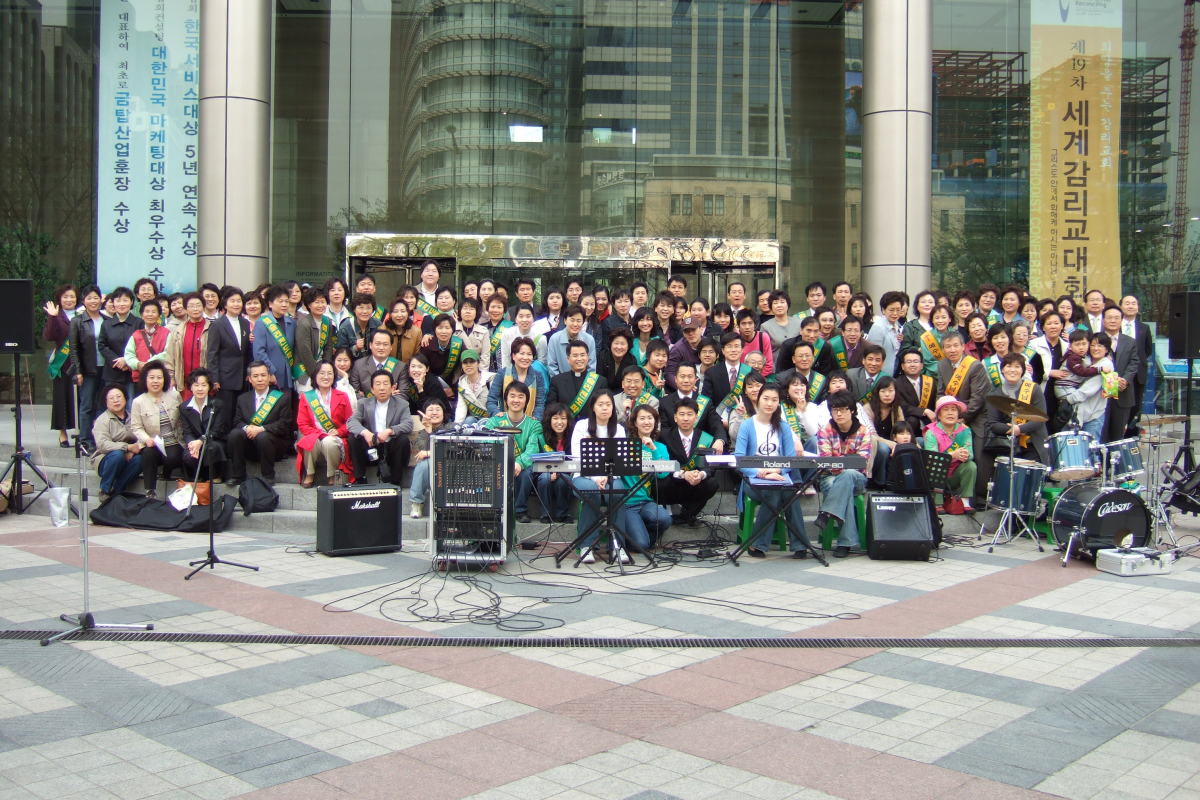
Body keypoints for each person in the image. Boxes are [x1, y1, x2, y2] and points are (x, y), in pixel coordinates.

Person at [735, 383, 813, 559]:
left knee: (789, 493)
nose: (769, 403)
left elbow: (790, 459)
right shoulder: (747, 425)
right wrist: (761, 472)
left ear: (779, 403)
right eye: (766, 399)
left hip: (779, 476)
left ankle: (798, 545)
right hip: (753, 479)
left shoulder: (783, 426)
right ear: (758, 399)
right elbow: (739, 460)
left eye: (774, 400)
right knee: (773, 493)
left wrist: (776, 470)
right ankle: (760, 543)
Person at [569, 390, 628, 564]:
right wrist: (596, 478)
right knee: (591, 491)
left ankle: (617, 545)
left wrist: (607, 476)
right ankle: (586, 546)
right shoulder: (582, 426)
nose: (604, 408)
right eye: (600, 404)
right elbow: (577, 457)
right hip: (584, 476)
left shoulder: (619, 429)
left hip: (611, 476)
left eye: (608, 405)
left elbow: (620, 459)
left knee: (617, 492)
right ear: (593, 407)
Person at [815, 390, 874, 557]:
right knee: (845, 481)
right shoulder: (825, 431)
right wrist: (846, 462)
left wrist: (840, 462)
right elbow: (826, 461)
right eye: (835, 410)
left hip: (858, 478)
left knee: (848, 475)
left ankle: (826, 512)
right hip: (829, 478)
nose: (839, 414)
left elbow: (861, 461)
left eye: (843, 409)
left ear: (852, 410)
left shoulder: (863, 431)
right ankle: (845, 543)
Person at [981, 353, 1049, 490]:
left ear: (1023, 370)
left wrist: (1020, 429)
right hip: (1008, 445)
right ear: (1002, 369)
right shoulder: (994, 395)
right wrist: (1012, 430)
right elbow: (993, 423)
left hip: (1032, 443)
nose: (1013, 370)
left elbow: (1040, 418)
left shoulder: (1033, 389)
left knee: (1030, 485)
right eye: (1009, 366)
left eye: (1017, 366)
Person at [937, 331, 991, 501]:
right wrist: (945, 415)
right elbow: (940, 393)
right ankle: (946, 493)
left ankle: (978, 496)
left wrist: (962, 418)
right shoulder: (942, 365)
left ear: (963, 347)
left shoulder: (975, 366)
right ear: (943, 349)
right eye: (948, 347)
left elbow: (978, 398)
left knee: (978, 453)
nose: (952, 350)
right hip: (950, 415)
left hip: (975, 416)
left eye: (955, 345)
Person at [483, 381, 545, 523]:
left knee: (526, 473)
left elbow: (533, 448)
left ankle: (520, 510)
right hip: (499, 463)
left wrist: (519, 463)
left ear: (526, 401)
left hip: (522, 466)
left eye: (520, 396)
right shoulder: (494, 422)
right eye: (512, 396)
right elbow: (487, 444)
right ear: (506, 399)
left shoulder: (534, 424)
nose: (516, 400)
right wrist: (506, 463)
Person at [226, 361, 295, 487]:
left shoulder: (282, 398)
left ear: (269, 377)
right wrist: (247, 428)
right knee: (235, 434)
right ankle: (238, 475)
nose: (260, 379)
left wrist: (261, 429)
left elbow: (284, 425)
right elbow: (237, 421)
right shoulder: (242, 399)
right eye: (255, 376)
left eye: (263, 375)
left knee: (263, 436)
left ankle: (268, 476)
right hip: (250, 446)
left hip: (273, 445)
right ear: (249, 379)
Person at [657, 397, 720, 525]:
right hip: (672, 482)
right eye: (682, 414)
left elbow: (709, 467)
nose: (685, 418)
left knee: (712, 483)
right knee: (660, 483)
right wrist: (682, 474)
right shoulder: (663, 435)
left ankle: (687, 515)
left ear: (696, 417)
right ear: (675, 417)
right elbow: (661, 463)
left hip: (694, 483)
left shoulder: (705, 438)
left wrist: (700, 474)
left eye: (689, 414)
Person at [621, 405, 674, 552]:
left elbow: (663, 474)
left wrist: (653, 450)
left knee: (665, 519)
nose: (646, 422)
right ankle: (637, 537)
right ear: (635, 422)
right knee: (641, 545)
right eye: (642, 418)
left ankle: (640, 535)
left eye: (650, 418)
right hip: (626, 504)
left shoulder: (660, 447)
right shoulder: (625, 445)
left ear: (655, 422)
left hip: (645, 501)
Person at [347, 369, 414, 487]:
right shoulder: (363, 403)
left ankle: (395, 481)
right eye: (378, 384)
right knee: (353, 438)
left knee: (402, 440)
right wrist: (365, 432)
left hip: (390, 445)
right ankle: (360, 478)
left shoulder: (402, 404)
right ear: (372, 389)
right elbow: (351, 422)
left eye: (385, 384)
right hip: (370, 445)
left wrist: (389, 431)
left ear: (393, 387)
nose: (382, 388)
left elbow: (408, 424)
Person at [129, 363, 184, 497]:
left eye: (159, 377)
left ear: (164, 379)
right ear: (145, 379)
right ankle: (150, 491)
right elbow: (136, 427)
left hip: (173, 440)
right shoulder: (138, 402)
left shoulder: (174, 396)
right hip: (153, 442)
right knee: (148, 454)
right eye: (152, 377)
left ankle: (166, 472)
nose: (155, 381)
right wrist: (147, 439)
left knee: (173, 457)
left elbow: (183, 419)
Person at [295, 360, 354, 487]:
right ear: (315, 376)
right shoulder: (306, 397)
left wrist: (339, 431)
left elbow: (350, 422)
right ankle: (310, 473)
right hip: (315, 434)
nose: (326, 377)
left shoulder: (342, 396)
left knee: (329, 442)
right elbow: (302, 424)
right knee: (310, 440)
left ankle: (332, 475)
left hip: (335, 437)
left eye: (330, 373)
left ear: (334, 376)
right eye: (322, 373)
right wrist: (319, 434)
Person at [205, 288, 251, 432]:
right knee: (225, 415)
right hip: (225, 378)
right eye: (232, 301)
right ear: (225, 304)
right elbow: (212, 354)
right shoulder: (218, 325)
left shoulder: (245, 323)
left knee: (241, 414)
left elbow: (246, 352)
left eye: (239, 301)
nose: (236, 304)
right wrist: (214, 378)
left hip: (243, 376)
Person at [923, 396, 977, 513]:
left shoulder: (965, 431)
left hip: (955, 473)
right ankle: (937, 502)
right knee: (936, 466)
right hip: (937, 474)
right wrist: (952, 455)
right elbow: (932, 458)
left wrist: (965, 455)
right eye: (946, 409)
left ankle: (965, 501)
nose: (950, 413)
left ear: (958, 414)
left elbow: (971, 454)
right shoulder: (931, 432)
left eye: (953, 409)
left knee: (971, 466)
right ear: (939, 415)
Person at [91, 384, 144, 501]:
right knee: (118, 455)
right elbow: (102, 444)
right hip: (106, 459)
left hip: (129, 456)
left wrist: (132, 451)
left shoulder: (133, 417)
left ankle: (117, 491)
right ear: (106, 402)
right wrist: (127, 447)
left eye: (119, 396)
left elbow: (142, 436)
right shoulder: (102, 420)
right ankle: (105, 489)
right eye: (111, 398)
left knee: (141, 460)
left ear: (125, 398)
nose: (116, 400)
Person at [70, 286, 106, 450]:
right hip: (88, 370)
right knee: (87, 405)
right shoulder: (77, 321)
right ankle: (85, 440)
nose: (93, 301)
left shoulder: (107, 319)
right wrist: (78, 371)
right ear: (83, 301)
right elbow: (74, 348)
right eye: (89, 298)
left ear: (101, 300)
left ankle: (101, 438)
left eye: (96, 297)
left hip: (106, 369)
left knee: (103, 405)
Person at [658, 362, 727, 449]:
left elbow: (716, 423)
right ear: (675, 379)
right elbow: (664, 431)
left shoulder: (705, 402)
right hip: (672, 449)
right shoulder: (664, 402)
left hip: (698, 450)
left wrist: (720, 440)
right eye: (682, 376)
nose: (686, 380)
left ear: (695, 379)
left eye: (690, 376)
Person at [1100, 304, 1142, 442]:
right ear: (1103, 320)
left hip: (1123, 393)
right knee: (1100, 434)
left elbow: (1134, 363)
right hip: (1100, 394)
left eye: (1116, 318)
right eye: (1109, 317)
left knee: (1118, 436)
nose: (1113, 320)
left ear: (1121, 320)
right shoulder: (1096, 340)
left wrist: (1125, 380)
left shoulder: (1130, 341)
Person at [43, 285, 79, 446]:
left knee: (81, 400)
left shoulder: (83, 314)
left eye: (72, 296)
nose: (69, 300)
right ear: (60, 299)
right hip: (63, 364)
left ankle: (82, 433)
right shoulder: (57, 315)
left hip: (82, 363)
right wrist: (52, 317)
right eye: (65, 297)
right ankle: (62, 433)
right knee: (62, 398)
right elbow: (49, 336)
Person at [178, 368, 229, 483]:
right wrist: (192, 444)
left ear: (209, 387)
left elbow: (218, 430)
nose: (200, 389)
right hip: (195, 441)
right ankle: (196, 479)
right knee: (189, 454)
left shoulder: (217, 404)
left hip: (214, 440)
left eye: (204, 385)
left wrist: (201, 441)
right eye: (196, 385)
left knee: (211, 448)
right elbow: (187, 432)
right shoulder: (184, 407)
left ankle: (214, 476)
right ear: (191, 387)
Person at [252, 285, 300, 392]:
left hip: (288, 376)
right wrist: (270, 371)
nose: (284, 304)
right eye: (280, 301)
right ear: (270, 304)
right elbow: (259, 352)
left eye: (286, 301)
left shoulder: (291, 323)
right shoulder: (262, 323)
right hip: (270, 376)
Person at [488, 337, 549, 418]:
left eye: (529, 354)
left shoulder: (538, 376)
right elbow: (491, 400)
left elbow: (540, 404)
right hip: (505, 420)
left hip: (529, 422)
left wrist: (536, 419)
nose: (525, 357)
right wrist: (497, 414)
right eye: (522, 353)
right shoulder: (502, 373)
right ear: (513, 356)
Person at [408, 399, 450, 518]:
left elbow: (452, 447)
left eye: (438, 409)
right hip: (431, 467)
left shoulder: (451, 427)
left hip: (450, 464)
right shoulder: (422, 433)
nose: (434, 412)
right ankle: (416, 503)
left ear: (443, 413)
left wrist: (430, 452)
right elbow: (421, 451)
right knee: (423, 465)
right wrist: (428, 431)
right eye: (430, 410)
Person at [98, 286, 141, 398]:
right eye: (118, 300)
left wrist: (126, 360)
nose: (121, 304)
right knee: (113, 402)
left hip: (132, 372)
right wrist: (116, 360)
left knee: (131, 403)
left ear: (131, 302)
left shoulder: (139, 323)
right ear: (113, 303)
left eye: (125, 300)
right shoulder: (106, 324)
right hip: (112, 372)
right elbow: (102, 345)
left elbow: (142, 345)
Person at [164, 292, 209, 399]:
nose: (195, 309)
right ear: (186, 309)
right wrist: (171, 377)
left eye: (198, 305)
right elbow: (170, 357)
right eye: (191, 306)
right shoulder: (178, 331)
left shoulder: (211, 329)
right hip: (183, 382)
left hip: (205, 383)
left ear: (203, 307)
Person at [1119, 295, 1154, 435]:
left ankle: (1132, 438)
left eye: (1134, 303)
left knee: (1136, 407)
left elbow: (1147, 350)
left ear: (1138, 307)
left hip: (1138, 374)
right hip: (1119, 373)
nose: (1130, 306)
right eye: (1127, 303)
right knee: (1117, 406)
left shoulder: (1144, 328)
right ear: (1121, 306)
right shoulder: (1115, 325)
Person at [534, 402, 574, 523]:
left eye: (563, 418)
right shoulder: (541, 436)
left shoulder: (572, 436)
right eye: (555, 418)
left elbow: (573, 460)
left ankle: (562, 514)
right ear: (549, 420)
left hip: (565, 472)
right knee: (545, 478)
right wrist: (550, 472)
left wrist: (559, 471)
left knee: (563, 480)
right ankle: (545, 514)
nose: (559, 422)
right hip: (543, 472)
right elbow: (536, 459)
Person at [548, 340, 604, 419]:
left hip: (591, 424)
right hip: (566, 425)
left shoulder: (600, 381)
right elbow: (551, 408)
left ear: (588, 357)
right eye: (575, 355)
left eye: (582, 355)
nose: (579, 359)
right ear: (568, 359)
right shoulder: (557, 381)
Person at [295, 286, 336, 392]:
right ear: (309, 305)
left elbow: (328, 348)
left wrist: (326, 368)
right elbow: (305, 352)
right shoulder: (304, 324)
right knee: (310, 393)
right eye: (316, 302)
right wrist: (316, 374)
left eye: (323, 302)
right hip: (305, 369)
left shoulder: (327, 322)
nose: (320, 305)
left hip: (322, 368)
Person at [351, 328, 411, 398]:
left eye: (385, 344)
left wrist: (387, 400)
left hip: (392, 405)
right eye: (378, 344)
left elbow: (403, 394)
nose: (381, 348)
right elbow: (354, 393)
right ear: (370, 345)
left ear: (391, 347)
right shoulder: (359, 365)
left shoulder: (400, 367)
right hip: (366, 405)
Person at [894, 348, 938, 433]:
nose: (912, 365)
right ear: (902, 366)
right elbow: (901, 406)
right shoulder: (896, 383)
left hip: (929, 422)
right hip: (908, 425)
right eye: (909, 362)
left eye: (916, 361)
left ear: (921, 365)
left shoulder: (930, 381)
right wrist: (923, 411)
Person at [545, 305, 597, 377]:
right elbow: (552, 366)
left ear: (583, 322)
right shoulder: (555, 339)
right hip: (561, 380)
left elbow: (591, 367)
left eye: (578, 321)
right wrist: (560, 382)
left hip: (584, 381)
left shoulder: (589, 340)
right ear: (565, 321)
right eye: (572, 320)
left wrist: (586, 383)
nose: (575, 324)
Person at [866, 290, 905, 376]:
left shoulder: (898, 326)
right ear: (883, 310)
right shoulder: (878, 327)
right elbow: (874, 355)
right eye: (891, 310)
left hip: (896, 374)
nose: (895, 313)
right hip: (882, 376)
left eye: (898, 310)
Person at [499, 303, 546, 370]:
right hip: (512, 373)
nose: (524, 320)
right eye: (521, 316)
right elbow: (505, 359)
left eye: (528, 316)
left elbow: (542, 363)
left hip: (533, 373)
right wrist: (507, 375)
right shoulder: (507, 334)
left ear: (533, 318)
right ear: (515, 319)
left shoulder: (541, 338)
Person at [453, 349, 493, 424]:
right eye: (465, 362)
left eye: (472, 362)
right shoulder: (461, 384)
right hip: (474, 419)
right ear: (462, 365)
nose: (468, 365)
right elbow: (461, 407)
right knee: (469, 420)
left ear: (478, 363)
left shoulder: (490, 379)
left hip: (492, 418)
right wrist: (457, 425)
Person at [383, 298, 422, 362]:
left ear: (408, 313)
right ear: (390, 314)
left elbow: (417, 357)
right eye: (395, 311)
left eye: (403, 311)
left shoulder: (416, 332)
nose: (399, 315)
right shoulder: (382, 330)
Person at [735, 309, 774, 375]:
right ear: (738, 325)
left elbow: (768, 364)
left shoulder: (763, 337)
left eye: (750, 323)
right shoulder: (735, 339)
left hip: (760, 376)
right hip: (739, 377)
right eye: (743, 323)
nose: (747, 327)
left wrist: (756, 379)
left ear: (755, 325)